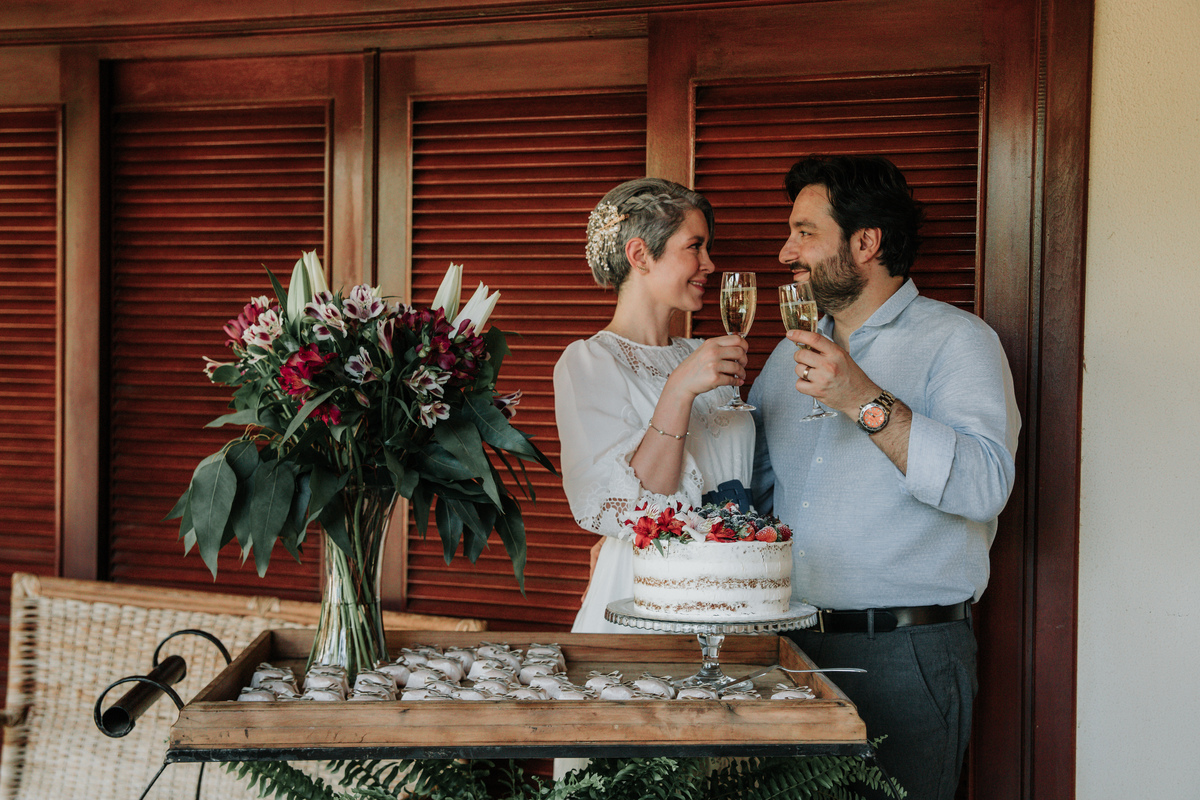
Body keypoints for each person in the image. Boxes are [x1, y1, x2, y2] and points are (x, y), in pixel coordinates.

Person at [747, 155, 1020, 800]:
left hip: (906, 656)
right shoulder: (785, 356)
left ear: (866, 242)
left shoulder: (960, 342)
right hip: (786, 654)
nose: (786, 250)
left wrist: (862, 398)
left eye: (805, 232)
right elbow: (749, 497)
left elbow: (985, 485)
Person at [554, 178, 754, 634]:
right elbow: (638, 508)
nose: (710, 263)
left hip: (733, 588)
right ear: (640, 255)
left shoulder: (705, 353)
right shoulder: (588, 364)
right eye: (695, 247)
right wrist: (678, 391)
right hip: (646, 592)